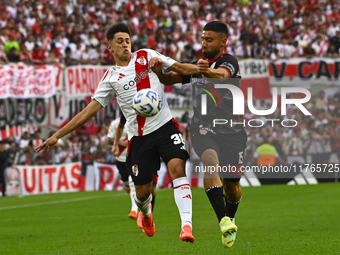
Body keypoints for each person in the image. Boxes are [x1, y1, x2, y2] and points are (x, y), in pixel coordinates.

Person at [36, 22, 200, 242]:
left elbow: (180, 68)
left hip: (165, 126)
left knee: (178, 168)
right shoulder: (110, 78)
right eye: (119, 41)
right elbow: (87, 112)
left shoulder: (146, 56)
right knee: (143, 194)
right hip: (139, 138)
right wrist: (57, 135)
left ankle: (186, 226)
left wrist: (205, 70)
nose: (125, 44)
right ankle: (146, 214)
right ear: (109, 48)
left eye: (127, 40)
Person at [150, 21, 246, 248]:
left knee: (232, 186)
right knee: (209, 161)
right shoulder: (197, 65)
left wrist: (203, 70)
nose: (204, 43)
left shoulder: (229, 61)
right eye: (202, 38)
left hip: (232, 130)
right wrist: (159, 68)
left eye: (209, 39)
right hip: (203, 127)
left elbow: (221, 77)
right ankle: (223, 220)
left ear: (223, 41)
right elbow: (170, 77)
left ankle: (230, 216)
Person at [107, 114, 138, 219]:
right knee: (126, 182)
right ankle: (127, 188)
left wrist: (130, 142)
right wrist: (120, 143)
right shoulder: (115, 124)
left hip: (133, 157)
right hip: (120, 158)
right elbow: (109, 140)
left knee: (132, 181)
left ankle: (134, 210)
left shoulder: (137, 120)